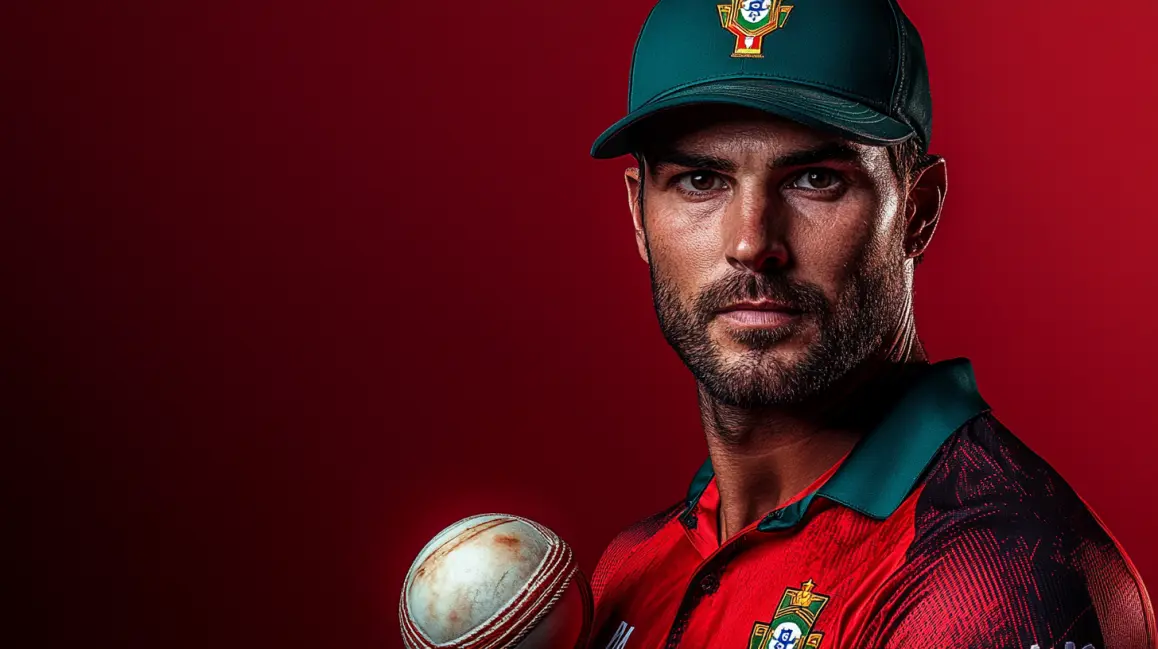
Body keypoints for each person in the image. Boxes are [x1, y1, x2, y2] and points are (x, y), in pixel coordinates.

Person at [585, 1, 1155, 648]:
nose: (751, 242)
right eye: (699, 180)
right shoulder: (633, 565)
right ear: (638, 214)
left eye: (815, 179)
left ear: (918, 209)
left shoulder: (988, 581)